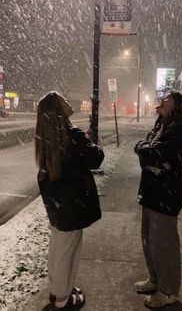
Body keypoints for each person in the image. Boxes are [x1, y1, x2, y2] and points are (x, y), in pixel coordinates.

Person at [35, 91, 104, 311]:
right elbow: (96, 158)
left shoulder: (48, 136)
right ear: (58, 109)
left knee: (58, 248)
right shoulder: (72, 135)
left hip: (57, 204)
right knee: (68, 250)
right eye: (63, 100)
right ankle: (63, 300)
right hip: (72, 204)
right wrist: (90, 141)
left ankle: (58, 289)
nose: (68, 102)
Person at [134, 90, 182, 308]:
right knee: (149, 240)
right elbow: (148, 149)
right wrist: (145, 150)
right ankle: (155, 279)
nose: (162, 100)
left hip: (166, 194)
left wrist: (143, 150)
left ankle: (168, 291)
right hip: (153, 191)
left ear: (176, 106)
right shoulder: (163, 125)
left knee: (164, 244)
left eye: (167, 99)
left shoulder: (177, 131)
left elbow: (152, 154)